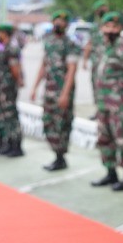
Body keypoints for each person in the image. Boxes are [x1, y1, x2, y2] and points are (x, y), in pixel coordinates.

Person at [90, 11, 123, 191]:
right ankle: (110, 173)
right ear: (102, 28)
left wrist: (119, 90)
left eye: (114, 26)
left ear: (120, 28)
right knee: (105, 138)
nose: (110, 30)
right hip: (103, 102)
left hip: (120, 105)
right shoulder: (100, 47)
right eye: (107, 26)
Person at [30, 10, 79, 171]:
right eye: (56, 20)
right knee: (48, 122)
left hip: (62, 91)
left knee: (61, 124)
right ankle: (56, 154)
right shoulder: (48, 41)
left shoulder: (70, 44)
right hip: (49, 90)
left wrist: (65, 94)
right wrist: (35, 87)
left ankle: (60, 157)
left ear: (67, 25)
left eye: (62, 21)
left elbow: (72, 70)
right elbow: (44, 65)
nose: (59, 23)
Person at [0, 24, 24, 157]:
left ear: (4, 33)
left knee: (11, 117)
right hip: (2, 88)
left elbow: (15, 69)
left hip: (8, 88)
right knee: (5, 117)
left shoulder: (11, 48)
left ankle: (17, 146)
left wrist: (18, 81)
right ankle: (9, 144)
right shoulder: (5, 47)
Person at [82, 0, 111, 121]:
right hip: (96, 62)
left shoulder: (112, 25)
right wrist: (85, 59)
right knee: (96, 86)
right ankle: (98, 110)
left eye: (105, 7)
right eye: (100, 8)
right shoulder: (94, 28)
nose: (103, 10)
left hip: (109, 62)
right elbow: (89, 44)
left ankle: (110, 110)